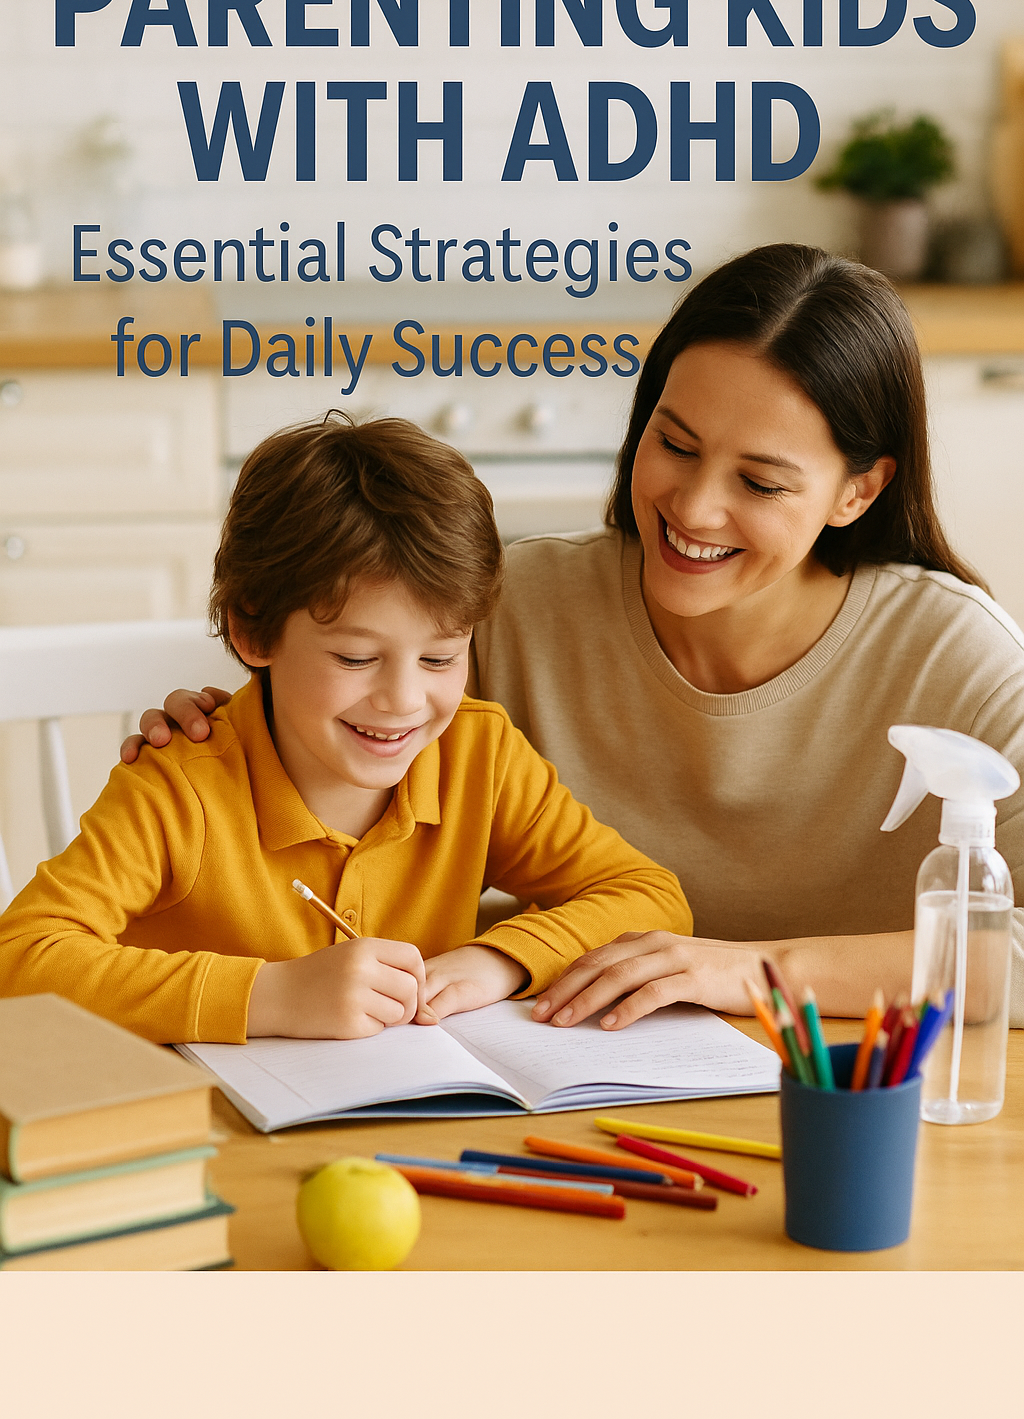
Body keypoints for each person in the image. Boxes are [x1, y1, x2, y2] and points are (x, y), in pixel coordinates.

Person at [122, 244, 1024, 1031]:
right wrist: (237, 731)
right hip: (559, 1092)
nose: (694, 506)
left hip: (862, 1099)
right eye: (674, 443)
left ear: (857, 492)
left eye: (759, 481)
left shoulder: (956, 657)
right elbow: (333, 721)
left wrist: (745, 970)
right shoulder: (514, 610)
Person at [0, 417, 689, 1044]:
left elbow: (649, 897)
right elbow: (20, 961)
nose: (403, 699)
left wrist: (500, 958)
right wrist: (266, 996)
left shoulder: (478, 755)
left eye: (441, 656)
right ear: (252, 629)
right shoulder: (181, 784)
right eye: (357, 658)